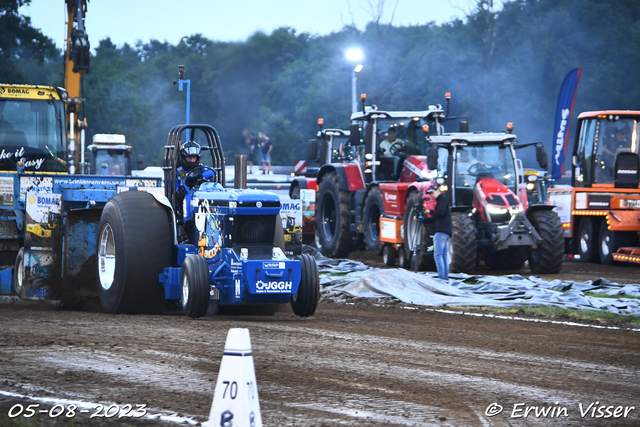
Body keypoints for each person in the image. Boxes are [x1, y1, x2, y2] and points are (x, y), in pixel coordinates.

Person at [424, 183, 452, 281]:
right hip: (446, 232)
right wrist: (424, 219)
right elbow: (436, 218)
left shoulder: (442, 200)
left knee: (438, 255)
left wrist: (429, 212)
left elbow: (440, 212)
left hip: (441, 232)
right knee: (443, 255)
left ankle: (442, 277)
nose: (431, 195)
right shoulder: (442, 201)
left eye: (432, 193)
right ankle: (445, 277)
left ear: (437, 190)